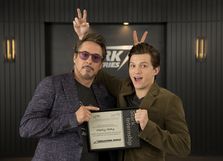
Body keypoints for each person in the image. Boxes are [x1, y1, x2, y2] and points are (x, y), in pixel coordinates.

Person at [74, 8, 191, 161]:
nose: (137, 71)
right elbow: (97, 71)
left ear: (155, 70)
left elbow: (183, 146)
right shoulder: (123, 88)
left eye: (143, 65)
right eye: (133, 65)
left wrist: (148, 126)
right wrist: (84, 38)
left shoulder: (169, 100)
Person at [19, 31, 116, 160]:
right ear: (75, 57)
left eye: (96, 57)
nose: (89, 61)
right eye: (84, 55)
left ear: (101, 65)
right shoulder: (52, 84)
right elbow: (27, 127)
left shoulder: (103, 93)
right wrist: (73, 119)